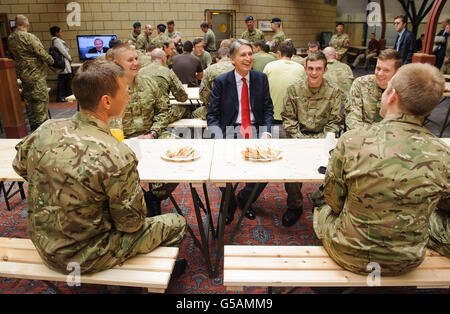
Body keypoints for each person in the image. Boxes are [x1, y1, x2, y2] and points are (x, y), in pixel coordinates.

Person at [12, 59, 188, 276]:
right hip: (85, 255)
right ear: (106, 102)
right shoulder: (117, 154)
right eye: (125, 92)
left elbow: (20, 166)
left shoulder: (46, 129)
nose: (129, 97)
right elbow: (131, 224)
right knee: (176, 222)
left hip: (44, 243)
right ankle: (147, 278)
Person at [313, 62, 449, 276]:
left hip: (349, 253)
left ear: (392, 96)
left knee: (320, 206)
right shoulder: (443, 155)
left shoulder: (353, 141)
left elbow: (334, 199)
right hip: (407, 260)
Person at [206, 39, 274, 224]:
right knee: (224, 169)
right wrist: (218, 138)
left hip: (255, 129)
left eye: (250, 54)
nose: (248, 58)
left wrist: (267, 132)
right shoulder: (222, 82)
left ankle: (245, 199)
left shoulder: (261, 79)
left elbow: (268, 109)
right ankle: (228, 203)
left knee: (266, 171)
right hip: (230, 130)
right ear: (233, 60)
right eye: (243, 55)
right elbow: (212, 115)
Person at [106, 44, 177, 216]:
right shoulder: (107, 89)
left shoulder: (149, 83)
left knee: (178, 150)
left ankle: (154, 196)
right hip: (121, 141)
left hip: (151, 136)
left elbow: (163, 112)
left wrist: (152, 134)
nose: (135, 63)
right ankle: (131, 200)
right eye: (129, 60)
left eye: (136, 58)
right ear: (115, 63)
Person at [281, 51, 343, 227]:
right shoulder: (294, 88)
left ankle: (322, 198)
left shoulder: (334, 91)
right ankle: (295, 206)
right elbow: (288, 118)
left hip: (324, 138)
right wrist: (301, 140)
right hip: (298, 136)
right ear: (305, 69)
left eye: (318, 69)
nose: (314, 73)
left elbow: (335, 122)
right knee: (292, 172)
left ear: (325, 70)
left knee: (334, 170)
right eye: (310, 68)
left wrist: (320, 143)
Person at [8, 15, 54, 131]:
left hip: (22, 75)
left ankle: (34, 126)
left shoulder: (11, 38)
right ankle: (42, 127)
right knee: (40, 100)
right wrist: (50, 60)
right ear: (27, 25)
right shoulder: (29, 37)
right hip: (35, 74)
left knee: (29, 101)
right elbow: (40, 52)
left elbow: (11, 56)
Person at [345, 49, 402, 131]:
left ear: (397, 72)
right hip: (361, 138)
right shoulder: (360, 84)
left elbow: (401, 127)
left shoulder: (403, 91)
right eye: (378, 68)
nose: (380, 74)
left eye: (386, 70)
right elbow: (352, 119)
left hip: (389, 141)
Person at [263, 41, 306, 133]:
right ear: (292, 54)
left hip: (273, 116)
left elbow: (262, 89)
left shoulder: (269, 66)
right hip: (293, 117)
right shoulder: (300, 68)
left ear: (278, 53)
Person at [140, 48, 189, 123]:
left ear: (151, 59)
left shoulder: (140, 72)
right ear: (164, 59)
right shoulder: (168, 72)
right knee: (186, 108)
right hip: (162, 115)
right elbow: (182, 98)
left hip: (143, 115)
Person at [193, 47, 235, 120]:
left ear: (217, 59)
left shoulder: (210, 69)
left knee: (194, 113)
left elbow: (203, 96)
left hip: (217, 111)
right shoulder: (240, 68)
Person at [49, 26, 73, 103]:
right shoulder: (56, 41)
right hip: (63, 63)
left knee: (65, 79)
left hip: (64, 63)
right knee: (62, 80)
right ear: (56, 33)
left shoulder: (55, 40)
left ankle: (67, 95)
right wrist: (69, 58)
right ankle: (59, 97)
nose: (61, 33)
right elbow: (63, 51)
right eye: (60, 32)